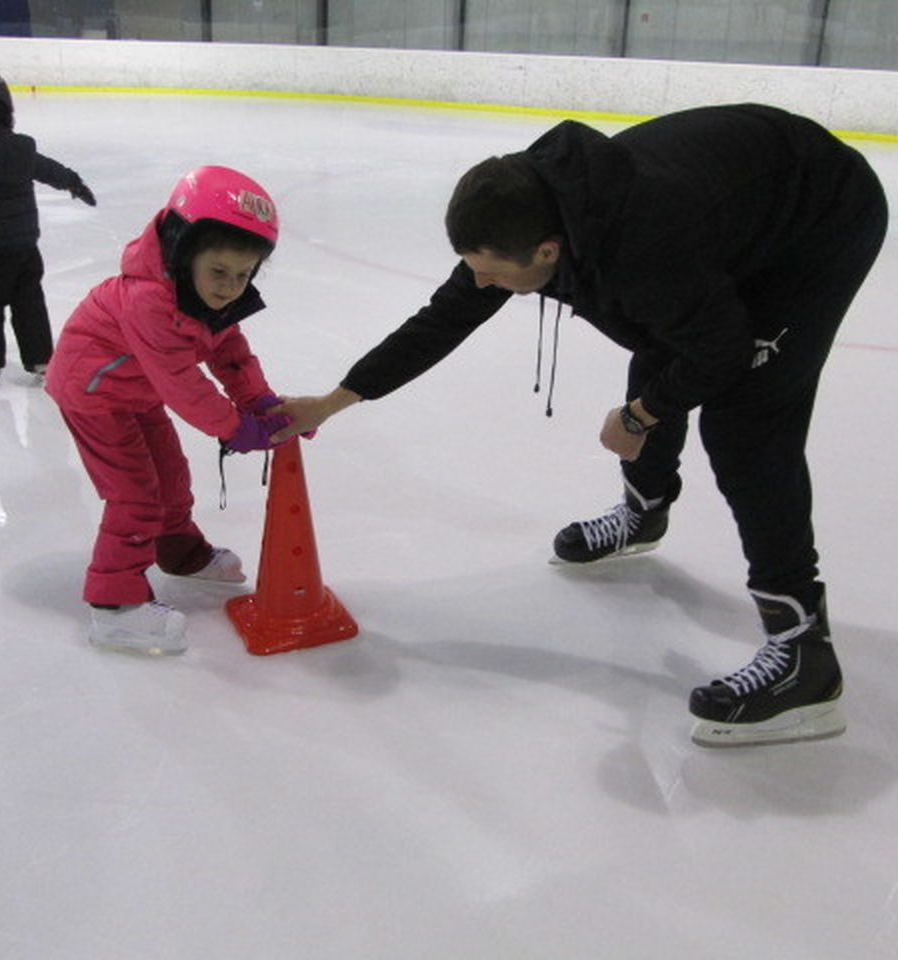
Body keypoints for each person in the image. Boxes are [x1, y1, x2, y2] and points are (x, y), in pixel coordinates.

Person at [268, 103, 888, 747]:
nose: (480, 282)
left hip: (821, 220)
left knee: (746, 426)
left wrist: (639, 415)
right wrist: (331, 401)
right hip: (724, 213)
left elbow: (720, 350)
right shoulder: (530, 213)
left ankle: (803, 654)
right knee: (661, 329)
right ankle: (645, 511)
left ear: (547, 250)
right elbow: (443, 319)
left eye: (492, 272)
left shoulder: (642, 248)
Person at [45, 166, 292, 656]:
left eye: (243, 276)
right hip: (92, 391)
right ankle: (113, 606)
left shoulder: (206, 298)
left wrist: (260, 401)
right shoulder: (149, 301)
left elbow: (229, 351)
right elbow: (181, 383)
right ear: (183, 253)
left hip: (134, 392)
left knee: (172, 478)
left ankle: (179, 553)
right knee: (135, 494)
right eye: (218, 272)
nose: (229, 288)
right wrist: (236, 428)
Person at [0, 67, 96, 392]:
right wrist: (75, 183)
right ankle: (42, 361)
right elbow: (49, 169)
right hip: (25, 246)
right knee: (29, 301)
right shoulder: (22, 149)